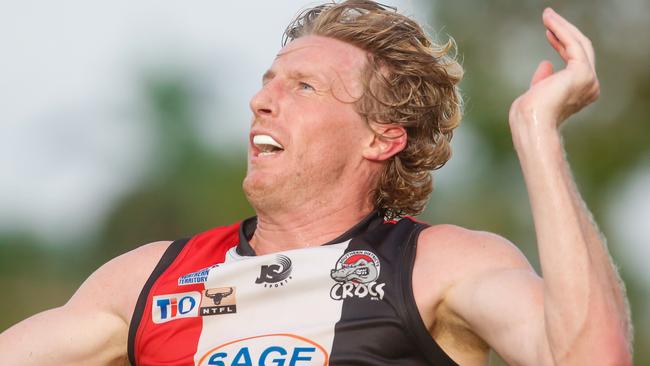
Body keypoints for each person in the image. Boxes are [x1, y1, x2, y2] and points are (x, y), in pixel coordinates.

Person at [0, 1, 632, 365]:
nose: (261, 101)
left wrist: (538, 133)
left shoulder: (436, 265)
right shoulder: (147, 279)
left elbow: (591, 358)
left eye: (303, 88)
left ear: (381, 138)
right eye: (269, 80)